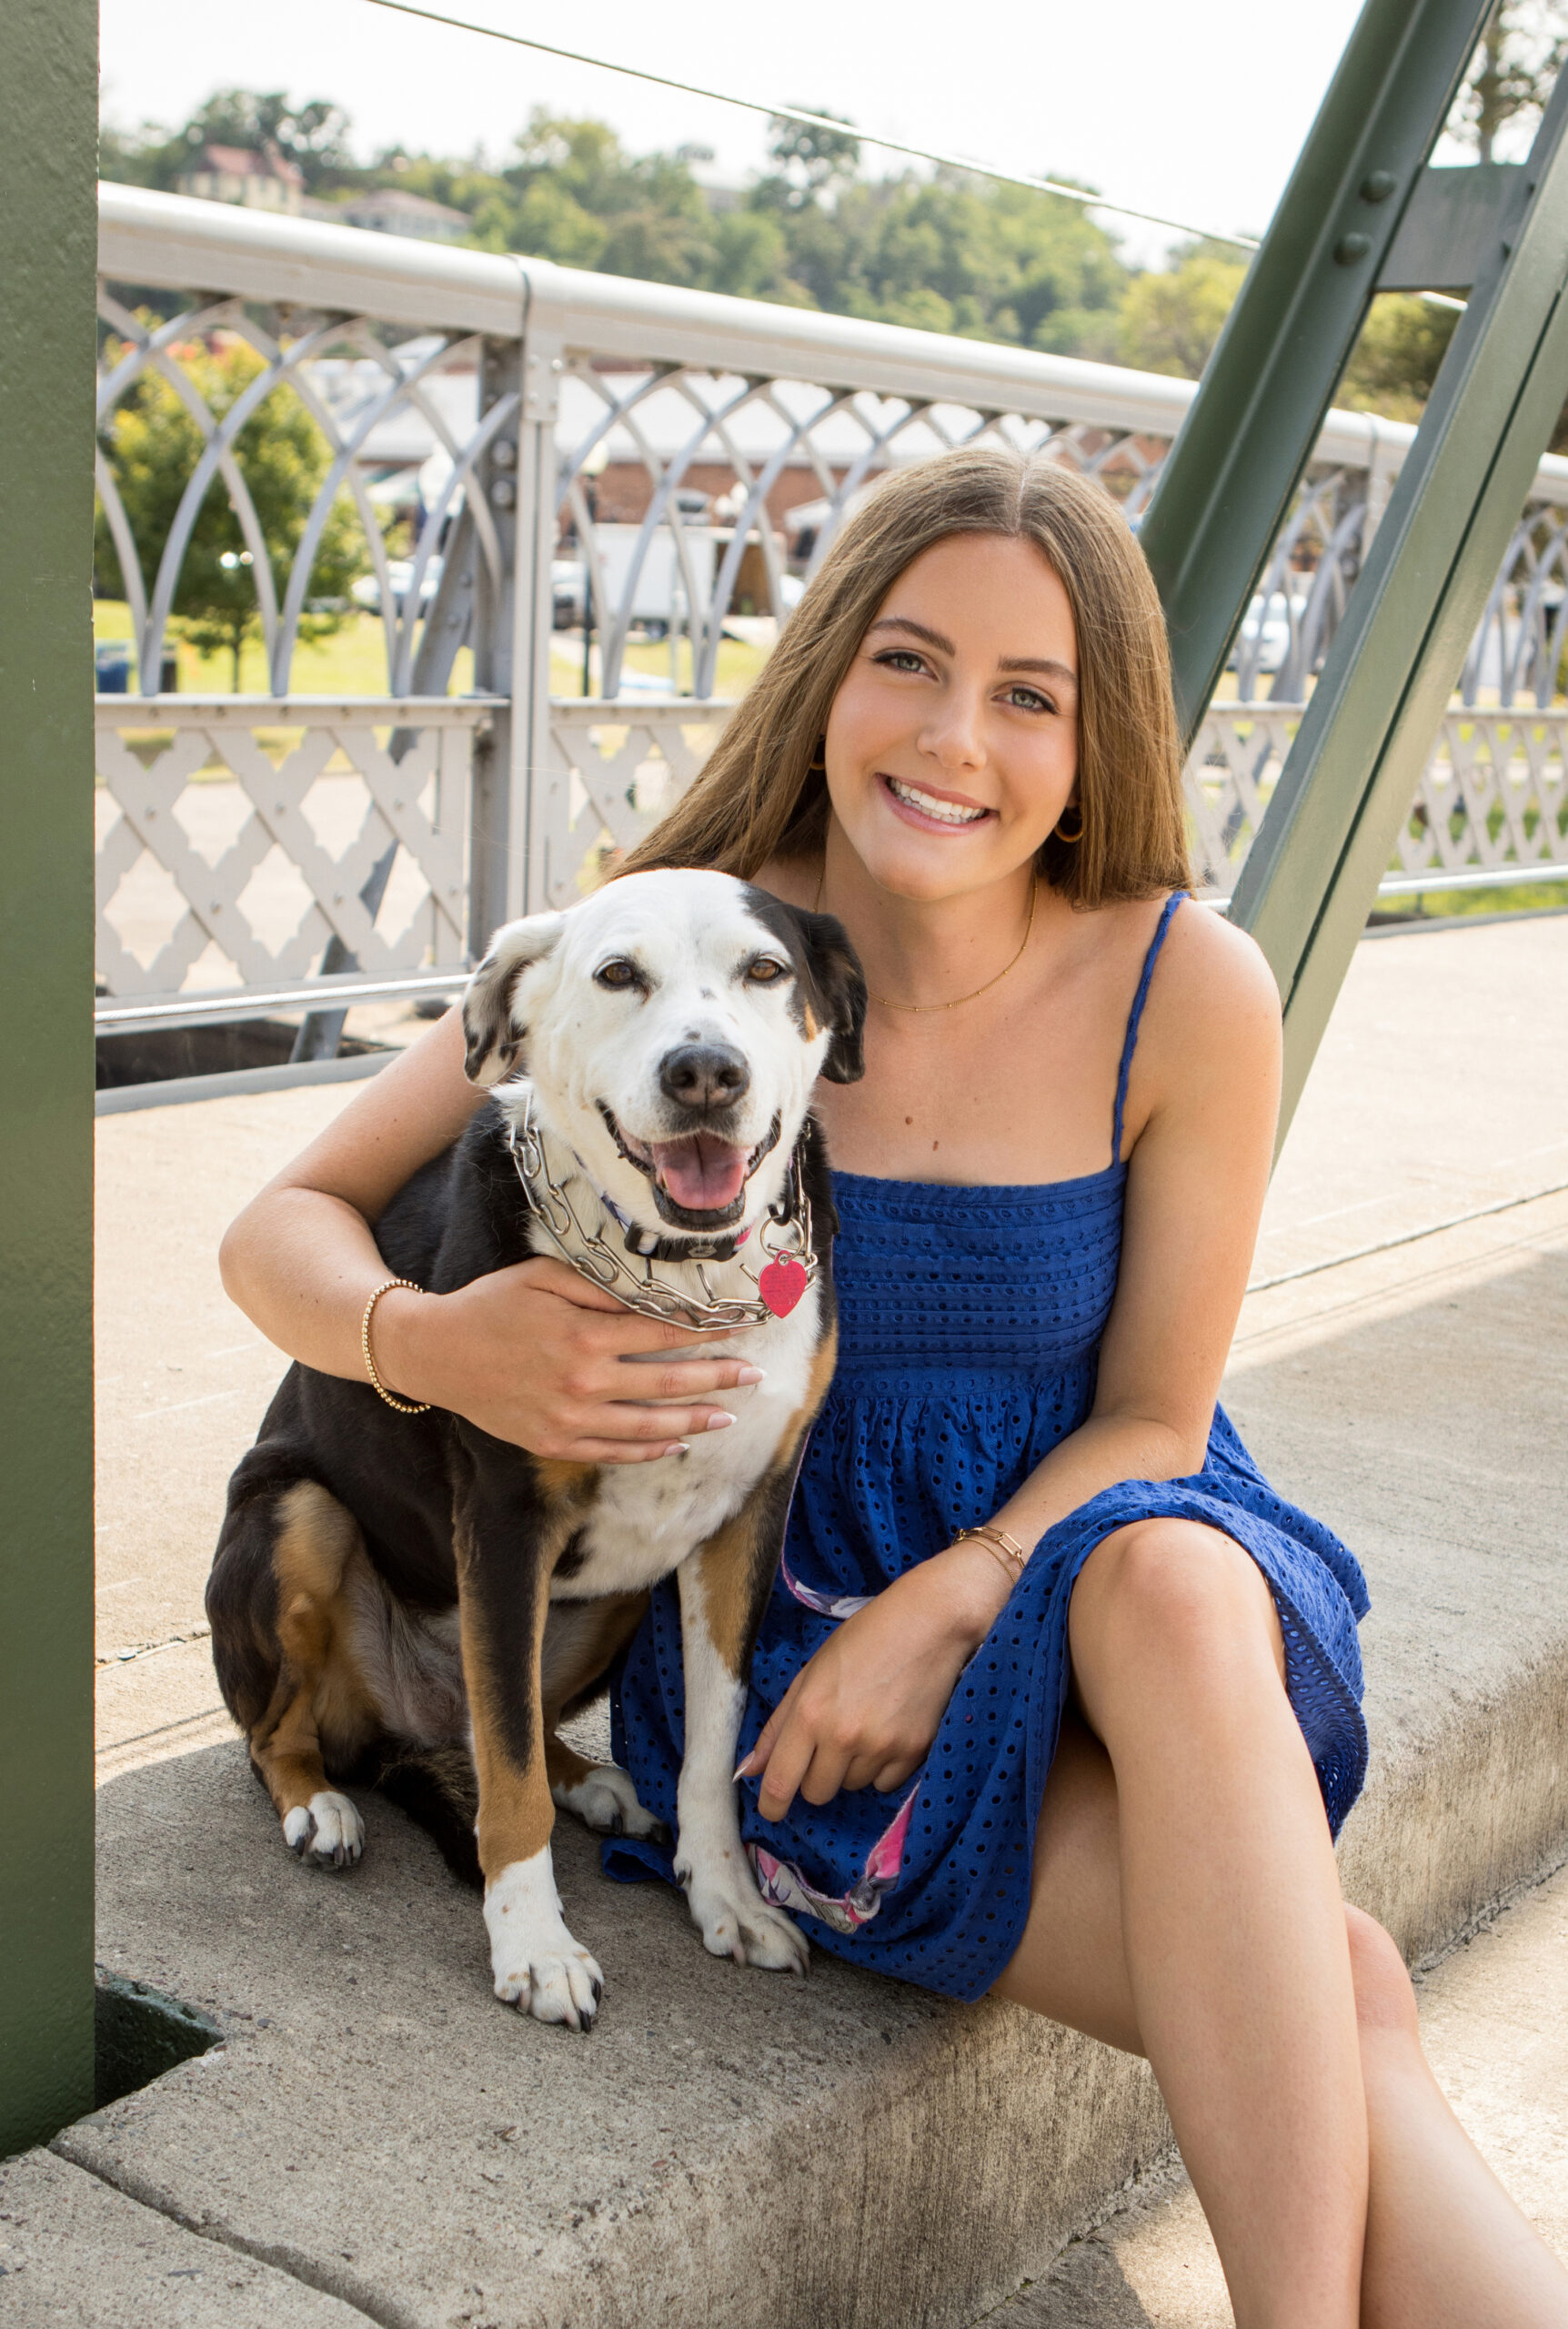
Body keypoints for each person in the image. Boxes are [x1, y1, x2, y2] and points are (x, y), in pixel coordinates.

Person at [220, 448, 1567, 2327]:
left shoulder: (1188, 985)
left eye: (1028, 695)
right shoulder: (684, 953)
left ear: (1099, 744)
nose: (953, 737)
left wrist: (953, 1596)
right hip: (783, 1635)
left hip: (1092, 1583)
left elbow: (1155, 1424)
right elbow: (281, 1223)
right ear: (829, 672)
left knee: (1177, 1569)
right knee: (1338, 1989)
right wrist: (426, 1339)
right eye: (910, 661)